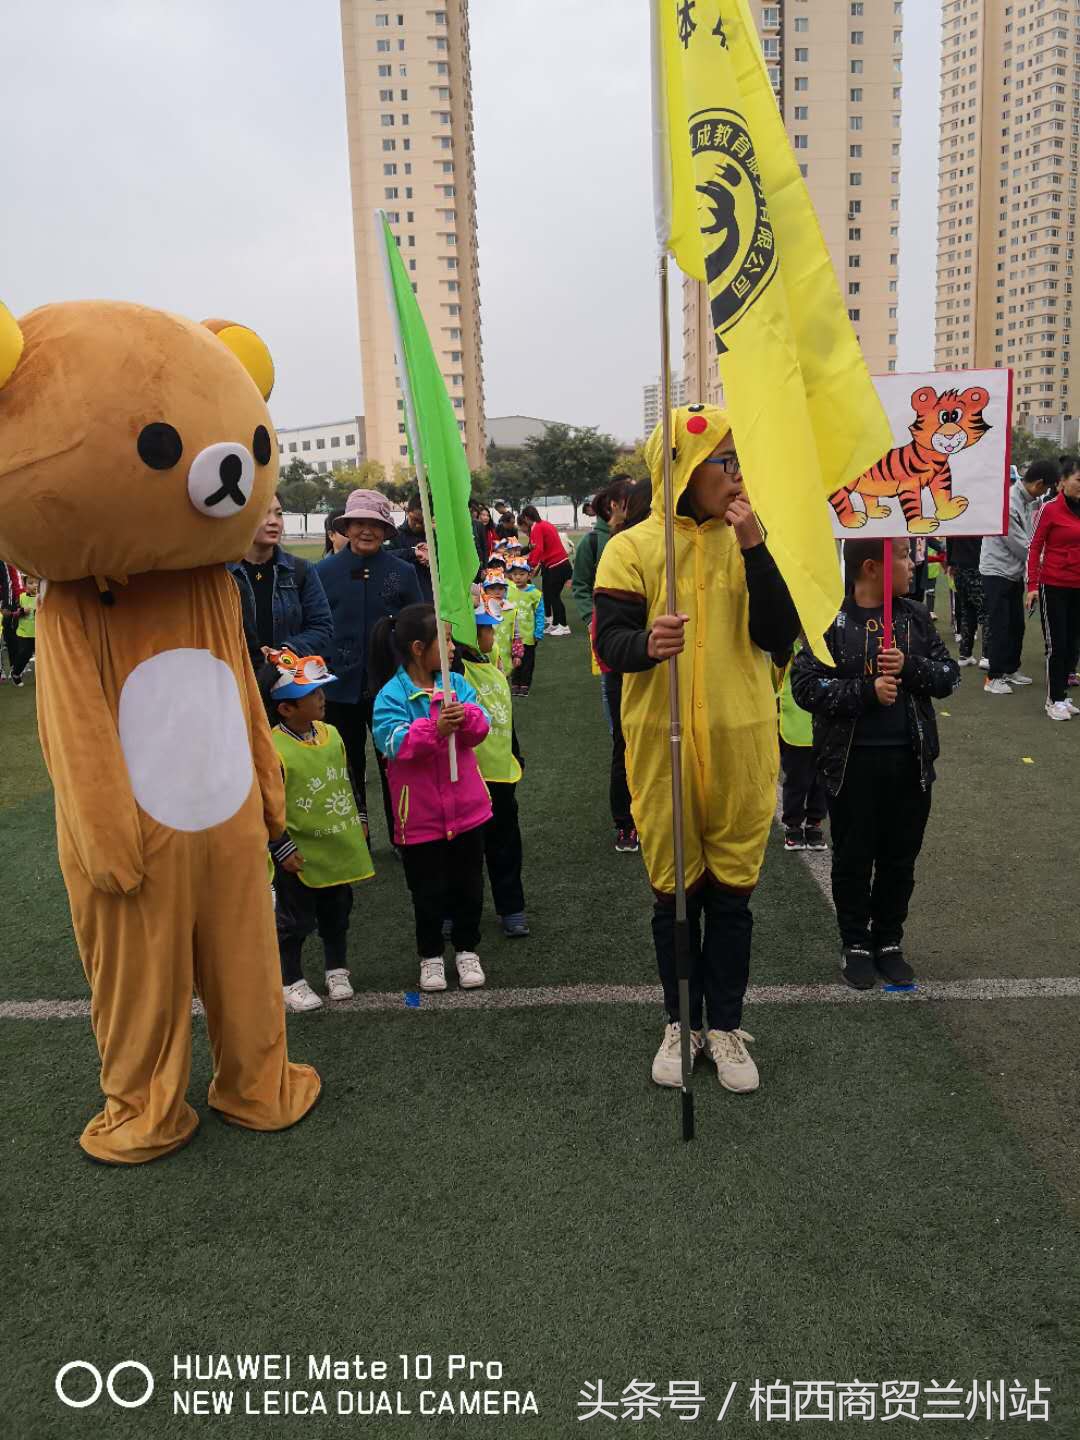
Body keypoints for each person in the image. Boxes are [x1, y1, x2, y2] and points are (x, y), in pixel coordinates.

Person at [594, 405, 799, 1095]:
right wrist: (647, 644)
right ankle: (680, 1022)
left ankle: (726, 1025)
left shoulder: (756, 539)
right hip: (663, 746)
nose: (738, 472)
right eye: (725, 459)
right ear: (683, 469)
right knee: (676, 898)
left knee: (734, 899)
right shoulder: (633, 547)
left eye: (740, 459)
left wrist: (755, 548)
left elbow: (779, 635)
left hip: (742, 741)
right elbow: (608, 644)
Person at [791, 539, 960, 990]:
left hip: (910, 763)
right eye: (903, 554)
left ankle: (889, 941)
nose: (912, 563)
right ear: (871, 567)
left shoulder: (916, 618)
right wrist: (865, 692)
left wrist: (910, 667)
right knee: (852, 857)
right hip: (851, 766)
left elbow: (949, 677)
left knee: (899, 858)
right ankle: (856, 942)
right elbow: (805, 688)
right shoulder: (828, 621)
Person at [370, 604, 493, 992]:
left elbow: (481, 726)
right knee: (427, 890)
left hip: (468, 810)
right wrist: (434, 728)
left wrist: (466, 717)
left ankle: (467, 949)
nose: (454, 648)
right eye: (447, 640)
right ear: (419, 647)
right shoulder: (391, 695)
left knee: (469, 885)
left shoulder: (457, 684)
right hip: (419, 817)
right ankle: (431, 956)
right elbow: (391, 743)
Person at [259, 648, 374, 1013]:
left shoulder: (333, 734)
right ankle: (290, 979)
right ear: (286, 708)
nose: (322, 698)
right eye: (312, 694)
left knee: (337, 910)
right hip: (298, 854)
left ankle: (336, 968)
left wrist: (360, 817)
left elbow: (349, 778)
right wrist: (280, 846)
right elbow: (266, 805)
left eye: (321, 690)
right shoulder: (271, 749)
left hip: (336, 845)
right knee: (295, 920)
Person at [316, 489, 423, 844]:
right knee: (346, 763)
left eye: (374, 524)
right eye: (359, 523)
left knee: (393, 760)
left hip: (390, 687)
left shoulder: (403, 572)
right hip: (336, 686)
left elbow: (417, 628)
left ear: (385, 530)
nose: (366, 531)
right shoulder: (322, 573)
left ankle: (401, 832)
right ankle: (353, 831)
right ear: (346, 527)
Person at [458, 608, 530, 937]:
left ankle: (511, 907)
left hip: (502, 776)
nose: (493, 636)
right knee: (464, 851)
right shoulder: (456, 672)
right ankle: (454, 910)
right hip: (471, 777)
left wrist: (514, 752)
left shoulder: (494, 669)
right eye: (487, 630)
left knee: (505, 844)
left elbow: (507, 718)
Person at [592, 478, 652, 853]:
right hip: (625, 671)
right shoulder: (623, 547)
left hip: (674, 668)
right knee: (626, 744)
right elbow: (607, 627)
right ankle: (626, 820)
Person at [228, 494, 333, 671]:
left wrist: (283, 653)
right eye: (263, 513)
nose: (274, 521)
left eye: (279, 514)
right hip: (237, 679)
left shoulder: (300, 570)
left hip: (288, 680)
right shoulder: (223, 574)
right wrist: (250, 654)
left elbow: (322, 627)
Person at [980, 460, 1055, 696]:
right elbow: (1020, 544)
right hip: (996, 571)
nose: (1045, 493)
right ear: (1039, 483)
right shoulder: (1009, 502)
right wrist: (1045, 559)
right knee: (1000, 624)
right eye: (1046, 488)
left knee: (1016, 625)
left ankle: (1011, 669)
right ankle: (994, 676)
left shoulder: (1028, 501)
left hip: (1013, 572)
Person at [1027, 460, 1080, 720]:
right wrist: (1032, 586)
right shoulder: (1049, 509)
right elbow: (1034, 547)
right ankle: (1053, 700)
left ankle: (1063, 696)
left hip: (1078, 586)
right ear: (1064, 481)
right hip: (1054, 584)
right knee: (1056, 644)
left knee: (1072, 643)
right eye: (1079, 480)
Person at [775, 637, 828, 851]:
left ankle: (814, 822)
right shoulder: (787, 646)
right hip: (795, 723)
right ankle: (793, 824)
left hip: (825, 722)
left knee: (822, 779)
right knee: (797, 779)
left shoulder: (830, 641)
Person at [570, 479, 632, 631]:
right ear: (614, 505)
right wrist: (590, 618)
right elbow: (580, 584)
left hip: (635, 622)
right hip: (606, 624)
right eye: (629, 501)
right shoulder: (591, 541)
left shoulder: (636, 535)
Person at [521, 505, 573, 635]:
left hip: (557, 565)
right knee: (550, 595)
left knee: (554, 596)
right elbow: (540, 548)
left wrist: (530, 564)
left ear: (527, 518)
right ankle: (555, 624)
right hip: (559, 564)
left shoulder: (537, 527)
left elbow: (538, 549)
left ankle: (563, 625)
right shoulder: (545, 524)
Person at [945, 535, 987, 669]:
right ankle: (987, 656)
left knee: (967, 610)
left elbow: (950, 536)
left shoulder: (958, 514)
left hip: (959, 566)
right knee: (985, 612)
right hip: (977, 565)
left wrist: (950, 562)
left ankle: (965, 654)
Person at [505, 557, 545, 696]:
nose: (518, 577)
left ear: (529, 575)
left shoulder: (535, 594)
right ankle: (515, 684)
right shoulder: (508, 591)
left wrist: (538, 632)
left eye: (522, 574)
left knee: (527, 663)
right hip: (513, 637)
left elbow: (540, 614)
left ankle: (525, 685)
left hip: (528, 637)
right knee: (514, 661)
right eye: (515, 574)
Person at [389, 491, 434, 602]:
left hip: (432, 600)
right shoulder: (395, 535)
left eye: (423, 522)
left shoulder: (435, 538)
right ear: (407, 512)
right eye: (415, 520)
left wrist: (433, 556)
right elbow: (384, 557)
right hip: (404, 601)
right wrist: (412, 552)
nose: (418, 525)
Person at [9, 571, 37, 685]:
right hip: (24, 633)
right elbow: (13, 613)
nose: (34, 585)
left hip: (40, 634)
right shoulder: (21, 597)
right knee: (25, 654)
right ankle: (16, 673)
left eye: (36, 583)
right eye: (31, 583)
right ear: (25, 586)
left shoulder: (42, 598)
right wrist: (21, 611)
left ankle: (44, 679)